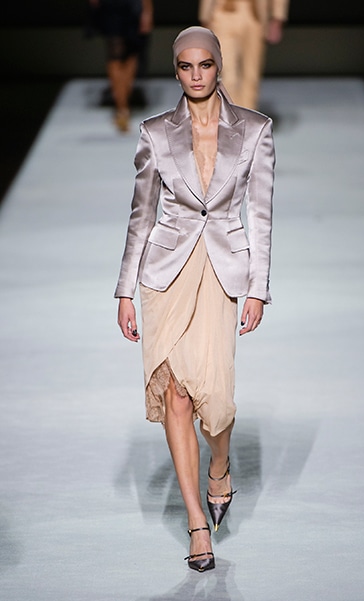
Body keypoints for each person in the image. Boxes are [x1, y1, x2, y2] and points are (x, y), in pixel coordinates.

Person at [115, 26, 275, 572]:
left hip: (223, 269)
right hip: (166, 273)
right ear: (177, 71)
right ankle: (197, 525)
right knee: (178, 395)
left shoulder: (254, 130)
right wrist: (125, 289)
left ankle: (220, 466)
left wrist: (258, 287)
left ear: (219, 66)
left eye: (205, 64)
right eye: (186, 66)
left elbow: (261, 216)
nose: (196, 75)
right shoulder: (155, 132)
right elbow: (140, 214)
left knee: (218, 399)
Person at [199, 0, 289, 109]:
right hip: (221, 13)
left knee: (251, 75)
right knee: (226, 74)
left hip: (255, 16)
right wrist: (205, 17)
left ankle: (247, 114)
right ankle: (231, 116)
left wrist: (277, 18)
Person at [88, 0, 153, 132]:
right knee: (116, 55)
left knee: (131, 53)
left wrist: (147, 11)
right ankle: (122, 107)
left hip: (132, 7)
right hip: (112, 7)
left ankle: (123, 105)